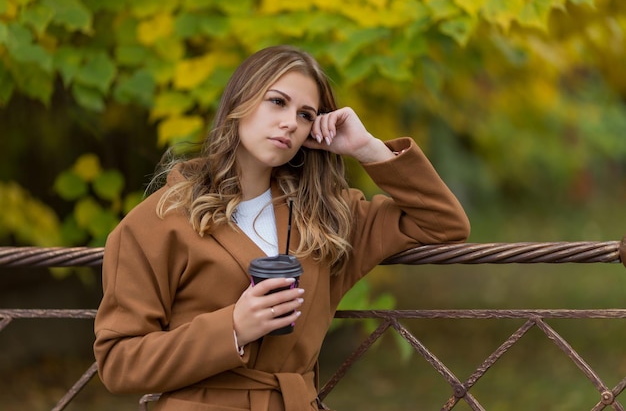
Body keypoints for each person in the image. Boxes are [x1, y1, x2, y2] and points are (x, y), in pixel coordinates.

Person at [93, 44, 470, 411]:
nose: (291, 122)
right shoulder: (160, 220)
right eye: (277, 101)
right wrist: (234, 328)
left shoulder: (328, 216)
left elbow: (443, 222)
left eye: (306, 115)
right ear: (240, 103)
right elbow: (118, 361)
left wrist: (367, 149)